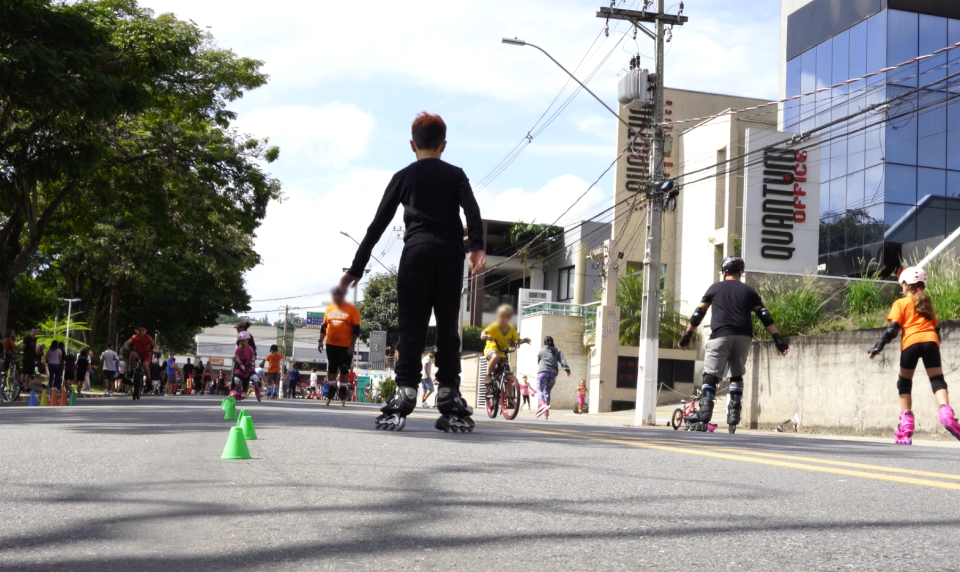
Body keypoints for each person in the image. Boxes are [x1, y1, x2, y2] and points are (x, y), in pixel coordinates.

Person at [342, 112, 485, 432]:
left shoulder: (404, 176)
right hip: (450, 255)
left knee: (412, 328)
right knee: (448, 327)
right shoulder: (456, 174)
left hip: (416, 254)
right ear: (443, 145)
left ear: (412, 144)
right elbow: (472, 210)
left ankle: (406, 390)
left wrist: (357, 267)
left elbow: (377, 225)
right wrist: (476, 246)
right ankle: (448, 391)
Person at [678, 255, 789, 433]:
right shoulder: (749, 291)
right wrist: (778, 339)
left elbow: (698, 314)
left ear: (724, 272)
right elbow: (764, 315)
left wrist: (687, 335)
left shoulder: (715, 288)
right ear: (740, 273)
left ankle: (705, 413)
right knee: (736, 375)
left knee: (711, 375)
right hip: (743, 337)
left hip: (720, 336)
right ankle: (734, 415)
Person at [868, 267, 960, 444]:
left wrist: (879, 346)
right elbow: (936, 329)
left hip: (911, 343)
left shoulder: (901, 303)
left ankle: (906, 428)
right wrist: (934, 346)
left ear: (905, 284)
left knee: (904, 383)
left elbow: (893, 330)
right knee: (937, 381)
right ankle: (946, 414)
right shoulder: (927, 302)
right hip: (931, 343)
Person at [318, 287, 361, 408]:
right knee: (332, 367)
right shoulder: (329, 309)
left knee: (344, 368)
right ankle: (331, 387)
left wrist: (352, 345)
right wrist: (320, 340)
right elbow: (324, 326)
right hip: (331, 344)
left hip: (346, 346)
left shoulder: (352, 310)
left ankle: (342, 388)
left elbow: (356, 329)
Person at [536, 335, 571, 420]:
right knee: (547, 391)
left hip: (543, 372)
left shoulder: (541, 351)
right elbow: (562, 360)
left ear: (544, 343)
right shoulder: (557, 351)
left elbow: (538, 361)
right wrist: (567, 370)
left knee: (539, 389)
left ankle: (543, 403)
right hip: (553, 374)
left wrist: (542, 368)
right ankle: (546, 413)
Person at [233, 331, 261, 402]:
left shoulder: (250, 349)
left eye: (244, 341)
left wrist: (252, 364)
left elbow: (253, 356)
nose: (243, 343)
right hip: (240, 368)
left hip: (249, 367)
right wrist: (241, 365)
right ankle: (238, 392)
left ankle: (257, 391)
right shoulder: (238, 350)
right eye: (241, 341)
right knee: (236, 379)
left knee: (255, 378)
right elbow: (237, 358)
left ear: (247, 341)